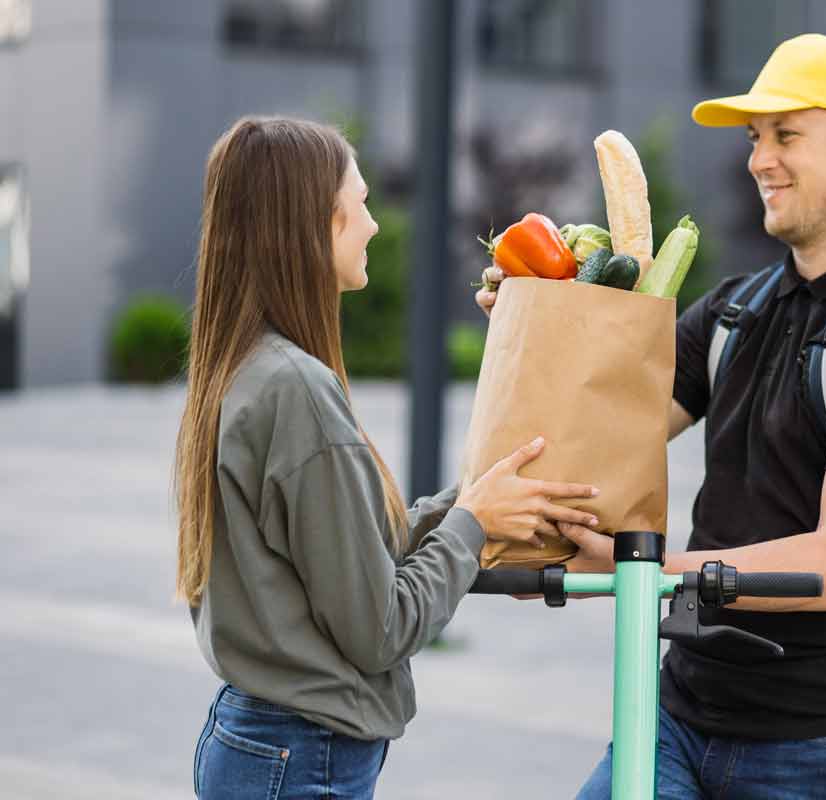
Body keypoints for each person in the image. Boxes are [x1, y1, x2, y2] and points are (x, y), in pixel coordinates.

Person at [476, 34, 826, 799]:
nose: (759, 160)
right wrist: (542, 321)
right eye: (754, 138)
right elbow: (592, 429)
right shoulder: (736, 310)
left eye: (786, 135)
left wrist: (642, 574)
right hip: (680, 716)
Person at [177, 116, 601, 800]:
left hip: (267, 744)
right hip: (300, 757)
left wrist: (469, 506)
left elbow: (340, 563)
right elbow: (382, 628)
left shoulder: (247, 368)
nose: (375, 224)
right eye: (361, 204)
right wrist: (474, 527)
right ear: (312, 223)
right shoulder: (297, 389)